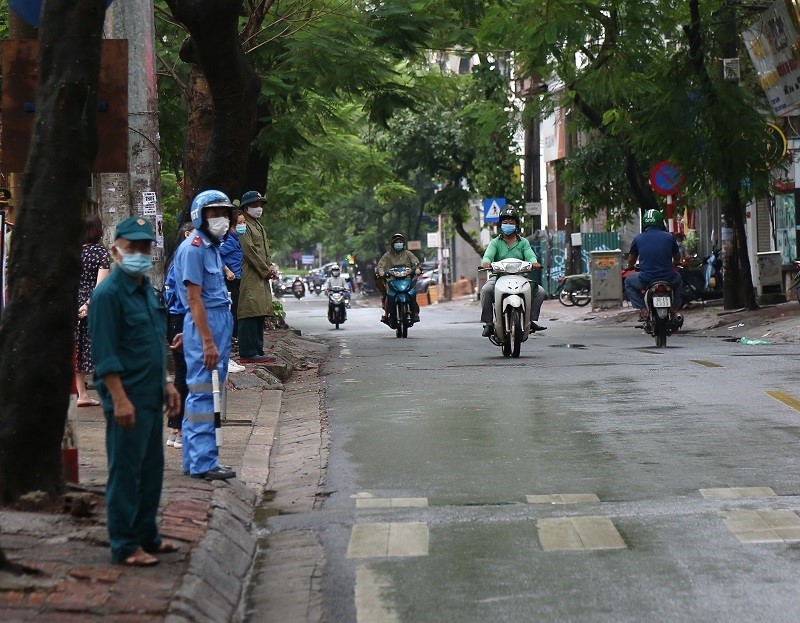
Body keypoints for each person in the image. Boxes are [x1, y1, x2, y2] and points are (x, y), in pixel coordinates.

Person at [88, 216, 181, 566]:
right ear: (115, 250)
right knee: (126, 473)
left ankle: (148, 535)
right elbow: (105, 355)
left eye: (145, 247)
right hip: (125, 398)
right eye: (132, 248)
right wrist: (120, 399)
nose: (139, 253)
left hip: (151, 394)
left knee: (152, 470)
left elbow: (155, 343)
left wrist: (168, 383)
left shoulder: (146, 289)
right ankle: (125, 544)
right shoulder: (108, 294)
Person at [173, 190, 238, 481]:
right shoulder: (195, 247)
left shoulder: (212, 247)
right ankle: (204, 462)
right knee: (204, 392)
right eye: (214, 214)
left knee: (207, 389)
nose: (221, 219)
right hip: (207, 324)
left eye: (224, 213)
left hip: (214, 322)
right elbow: (194, 299)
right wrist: (206, 340)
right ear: (200, 216)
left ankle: (194, 459)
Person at [480, 208, 546, 337]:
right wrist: (486, 262)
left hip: (520, 277)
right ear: (500, 224)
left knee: (540, 292)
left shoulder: (523, 243)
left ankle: (530, 320)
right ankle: (489, 323)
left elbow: (530, 256)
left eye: (511, 222)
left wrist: (534, 262)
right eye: (505, 222)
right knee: (486, 290)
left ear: (516, 225)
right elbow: (487, 256)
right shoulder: (495, 242)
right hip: (499, 277)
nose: (508, 225)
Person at [163, 223, 195, 450]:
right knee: (184, 374)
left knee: (184, 374)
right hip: (181, 320)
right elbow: (185, 296)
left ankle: (177, 427)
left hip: (179, 319)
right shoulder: (183, 259)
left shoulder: (179, 258)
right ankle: (178, 427)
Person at [237, 191, 278, 363]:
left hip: (261, 274)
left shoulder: (258, 225)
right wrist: (264, 269)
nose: (259, 208)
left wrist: (269, 268)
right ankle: (247, 352)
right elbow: (249, 251)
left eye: (260, 205)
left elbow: (263, 251)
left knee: (260, 310)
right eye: (255, 205)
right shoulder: (244, 224)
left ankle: (258, 350)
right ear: (246, 208)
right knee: (249, 310)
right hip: (252, 273)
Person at [624, 209, 684, 325]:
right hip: (668, 277)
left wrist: (630, 266)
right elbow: (677, 256)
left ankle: (643, 309)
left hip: (646, 279)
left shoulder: (638, 238)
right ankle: (674, 308)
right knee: (679, 280)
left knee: (628, 282)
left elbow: (631, 259)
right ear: (660, 222)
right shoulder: (669, 237)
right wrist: (676, 263)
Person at [75, 214, 111, 407]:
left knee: (78, 349)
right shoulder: (100, 253)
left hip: (74, 303)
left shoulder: (71, 253)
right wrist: (88, 305)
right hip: (94, 305)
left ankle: (82, 394)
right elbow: (101, 285)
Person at [219, 210, 247, 373]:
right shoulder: (228, 241)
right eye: (239, 223)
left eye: (244, 223)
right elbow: (218, 256)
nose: (242, 226)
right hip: (230, 281)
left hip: (238, 279)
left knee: (235, 312)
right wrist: (227, 271)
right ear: (231, 226)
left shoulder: (236, 240)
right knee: (231, 314)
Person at [376, 233, 421, 323]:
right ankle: (386, 314)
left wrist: (417, 269)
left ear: (403, 243)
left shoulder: (408, 254)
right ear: (393, 244)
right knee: (388, 296)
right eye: (397, 242)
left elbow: (415, 262)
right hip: (392, 279)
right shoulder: (387, 255)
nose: (399, 243)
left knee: (412, 293)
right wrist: (381, 271)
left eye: (400, 242)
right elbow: (381, 264)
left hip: (406, 279)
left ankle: (415, 313)